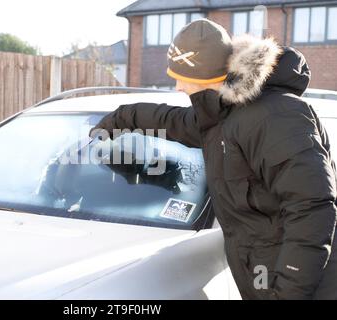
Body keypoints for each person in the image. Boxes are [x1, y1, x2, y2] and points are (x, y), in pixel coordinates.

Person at [90, 19, 337, 300]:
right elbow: (169, 120)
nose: (177, 86)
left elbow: (312, 208)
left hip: (306, 286)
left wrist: (288, 292)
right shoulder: (219, 116)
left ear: (204, 75)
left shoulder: (277, 116)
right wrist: (120, 118)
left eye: (182, 76)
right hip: (262, 277)